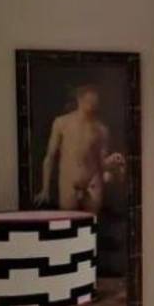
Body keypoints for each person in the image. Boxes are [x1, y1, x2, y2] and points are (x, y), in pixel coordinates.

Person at [34, 84, 126, 214]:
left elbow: (101, 163)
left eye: (94, 103)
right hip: (69, 183)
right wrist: (45, 189)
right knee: (68, 221)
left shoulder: (101, 129)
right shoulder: (62, 123)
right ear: (79, 100)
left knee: (92, 222)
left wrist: (113, 162)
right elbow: (50, 156)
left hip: (92, 184)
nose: (92, 106)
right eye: (89, 101)